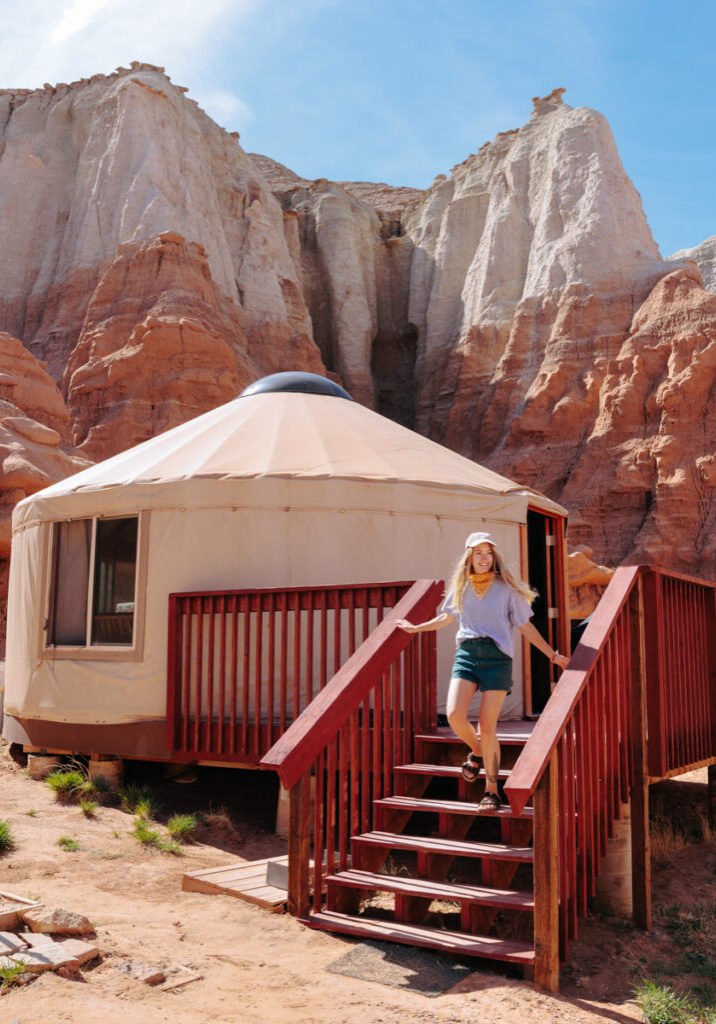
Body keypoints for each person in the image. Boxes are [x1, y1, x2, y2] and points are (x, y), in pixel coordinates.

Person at [396, 531, 569, 811]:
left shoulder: (507, 590)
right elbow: (446, 617)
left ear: (494, 557)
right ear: (469, 556)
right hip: (467, 654)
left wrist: (552, 655)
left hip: (497, 658)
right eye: (478, 553)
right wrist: (416, 628)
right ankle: (476, 751)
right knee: (454, 715)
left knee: (487, 728)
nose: (484, 558)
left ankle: (491, 790)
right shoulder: (461, 588)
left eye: (488, 553)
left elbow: (525, 627)